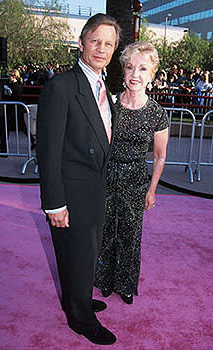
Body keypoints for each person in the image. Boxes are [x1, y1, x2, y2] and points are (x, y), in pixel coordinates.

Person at [36, 13, 121, 345]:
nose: (101, 48)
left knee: (85, 255)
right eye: (96, 41)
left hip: (95, 190)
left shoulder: (101, 85)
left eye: (109, 44)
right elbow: (49, 151)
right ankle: (81, 318)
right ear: (82, 41)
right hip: (70, 195)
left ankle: (78, 298)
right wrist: (54, 204)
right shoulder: (61, 87)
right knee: (77, 255)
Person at [94, 41, 169, 305]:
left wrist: (152, 190)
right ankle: (103, 279)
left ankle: (125, 284)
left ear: (152, 75)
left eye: (143, 69)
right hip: (106, 175)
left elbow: (160, 156)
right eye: (130, 67)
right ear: (123, 71)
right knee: (104, 231)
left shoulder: (157, 114)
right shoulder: (108, 104)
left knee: (130, 233)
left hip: (136, 179)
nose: (135, 74)